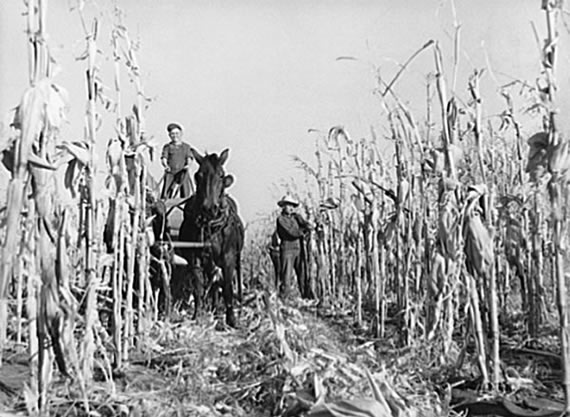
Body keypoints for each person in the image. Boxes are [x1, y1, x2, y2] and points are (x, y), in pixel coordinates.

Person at [275, 194, 313, 299]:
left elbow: (306, 225)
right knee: (286, 277)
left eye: (292, 205)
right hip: (287, 249)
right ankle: (284, 299)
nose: (291, 208)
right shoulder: (281, 219)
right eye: (288, 205)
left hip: (299, 249)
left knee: (303, 275)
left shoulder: (296, 217)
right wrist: (304, 231)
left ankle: (307, 298)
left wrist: (308, 225)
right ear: (283, 206)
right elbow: (292, 233)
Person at [160, 122, 194, 199]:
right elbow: (164, 158)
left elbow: (189, 158)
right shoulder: (167, 147)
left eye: (176, 133)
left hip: (183, 172)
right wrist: (165, 166)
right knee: (166, 193)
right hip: (170, 172)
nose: (175, 136)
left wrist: (188, 165)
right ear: (169, 135)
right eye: (172, 134)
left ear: (181, 134)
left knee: (186, 193)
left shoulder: (186, 147)